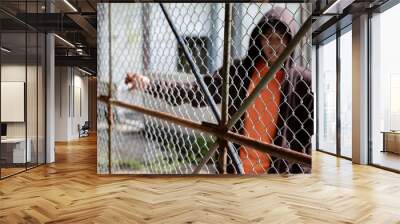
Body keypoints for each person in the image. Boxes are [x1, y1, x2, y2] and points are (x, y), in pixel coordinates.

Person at [125, 7, 313, 174]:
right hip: (235, 168)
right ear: (259, 39)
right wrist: (149, 84)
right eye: (268, 38)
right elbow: (197, 91)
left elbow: (309, 137)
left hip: (278, 174)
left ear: (290, 40)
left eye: (280, 39)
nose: (273, 46)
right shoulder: (239, 72)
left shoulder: (302, 82)